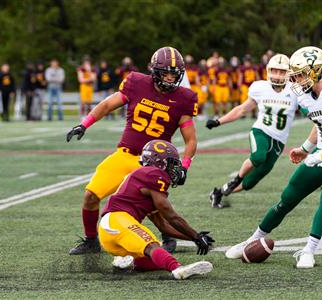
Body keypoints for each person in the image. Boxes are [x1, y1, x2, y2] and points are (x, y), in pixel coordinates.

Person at [225, 46, 322, 269]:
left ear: (316, 70)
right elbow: (321, 122)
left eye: (300, 74)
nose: (296, 80)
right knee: (287, 198)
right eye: (294, 75)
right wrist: (306, 148)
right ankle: (253, 238)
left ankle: (309, 250)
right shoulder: (304, 96)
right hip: (319, 156)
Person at [66, 46, 198, 255]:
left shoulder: (184, 98)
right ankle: (91, 241)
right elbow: (108, 104)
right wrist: (85, 124)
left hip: (154, 163)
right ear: (154, 71)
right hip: (125, 153)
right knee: (90, 195)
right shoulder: (137, 82)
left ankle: (168, 236)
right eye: (166, 73)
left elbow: (190, 139)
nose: (171, 79)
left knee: (156, 206)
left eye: (175, 74)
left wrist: (185, 165)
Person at [99, 140, 214, 279]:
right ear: (158, 162)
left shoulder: (145, 178)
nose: (174, 169)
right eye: (171, 164)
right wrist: (196, 235)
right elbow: (171, 216)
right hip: (117, 220)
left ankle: (126, 261)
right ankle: (178, 270)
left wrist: (193, 238)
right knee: (152, 246)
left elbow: (163, 226)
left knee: (155, 258)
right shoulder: (153, 174)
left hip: (115, 229)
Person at [207, 54, 299, 208]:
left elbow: (310, 109)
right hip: (261, 131)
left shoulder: (296, 91)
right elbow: (241, 110)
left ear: (289, 73)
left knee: (250, 183)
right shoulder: (260, 87)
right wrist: (218, 121)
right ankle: (237, 178)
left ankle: (219, 192)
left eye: (282, 71)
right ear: (268, 70)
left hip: (279, 141)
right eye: (275, 71)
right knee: (258, 156)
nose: (277, 75)